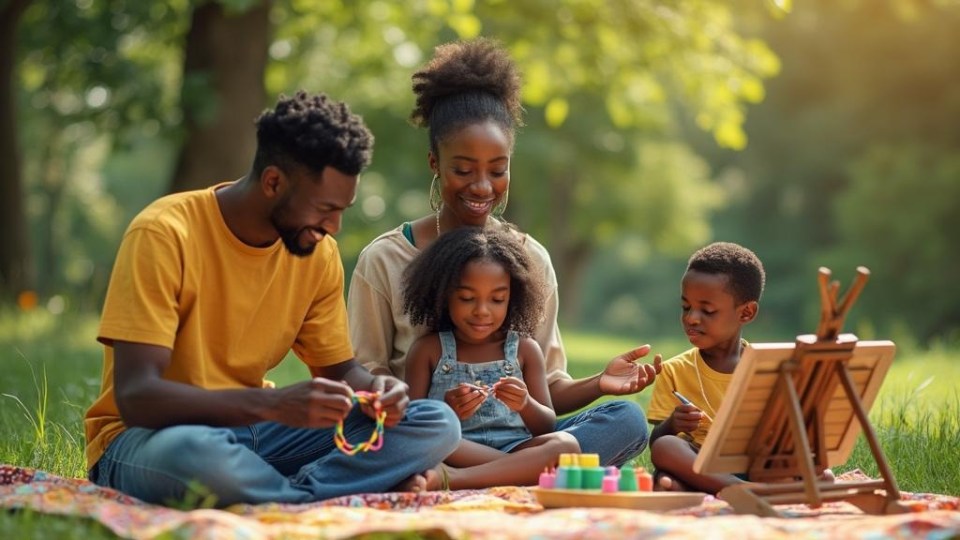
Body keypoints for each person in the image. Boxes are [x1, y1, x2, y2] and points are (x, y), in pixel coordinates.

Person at [83, 91, 460, 508]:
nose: (334, 226)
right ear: (273, 182)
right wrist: (273, 404)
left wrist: (379, 390)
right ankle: (305, 494)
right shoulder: (164, 233)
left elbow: (341, 372)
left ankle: (287, 493)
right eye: (325, 208)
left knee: (436, 422)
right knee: (195, 455)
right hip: (153, 439)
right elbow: (137, 399)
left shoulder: (318, 254)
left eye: (343, 209)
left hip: (256, 432)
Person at [347, 37, 661, 484]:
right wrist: (434, 414)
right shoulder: (385, 259)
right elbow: (367, 379)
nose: (482, 186)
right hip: (429, 433)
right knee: (371, 430)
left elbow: (547, 393)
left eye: (497, 170)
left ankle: (457, 478)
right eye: (463, 169)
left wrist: (600, 383)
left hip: (517, 441)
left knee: (625, 420)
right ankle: (518, 473)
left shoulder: (531, 259)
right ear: (434, 162)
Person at [403, 226, 580, 488]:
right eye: (467, 298)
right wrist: (447, 411)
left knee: (567, 445)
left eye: (497, 300)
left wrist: (525, 404)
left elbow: (546, 426)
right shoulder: (428, 350)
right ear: (443, 295)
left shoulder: (525, 349)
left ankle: (453, 479)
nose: (482, 311)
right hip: (457, 448)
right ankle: (518, 472)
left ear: (513, 298)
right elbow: (413, 426)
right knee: (425, 436)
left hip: (514, 446)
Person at [646, 241, 764, 494]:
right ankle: (742, 490)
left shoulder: (765, 368)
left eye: (707, 310)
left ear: (746, 313)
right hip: (701, 466)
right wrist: (672, 424)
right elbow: (656, 443)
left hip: (756, 465)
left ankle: (733, 489)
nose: (691, 318)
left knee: (821, 471)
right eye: (686, 307)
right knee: (667, 447)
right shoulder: (674, 370)